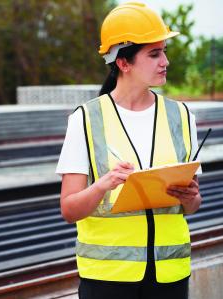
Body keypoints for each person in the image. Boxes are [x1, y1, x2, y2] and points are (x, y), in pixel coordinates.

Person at [56, 2, 203, 299]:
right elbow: (69, 209)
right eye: (154, 54)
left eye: (164, 51)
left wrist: (192, 198)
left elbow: (191, 205)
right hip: (108, 279)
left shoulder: (181, 116)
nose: (165, 61)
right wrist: (104, 185)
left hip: (170, 276)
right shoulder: (86, 120)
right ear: (123, 63)